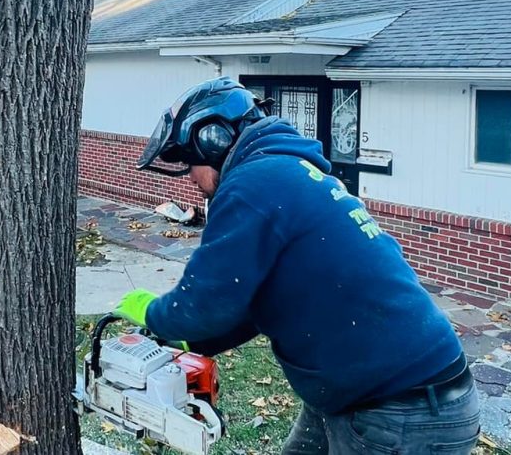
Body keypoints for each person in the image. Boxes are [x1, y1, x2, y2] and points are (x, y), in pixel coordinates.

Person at [114, 77, 480, 454]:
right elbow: (252, 302)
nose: (191, 177)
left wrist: (155, 314)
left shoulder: (253, 184)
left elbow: (205, 304)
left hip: (404, 410)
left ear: (215, 139)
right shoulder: (285, 175)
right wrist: (192, 339)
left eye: (191, 163)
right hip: (358, 394)